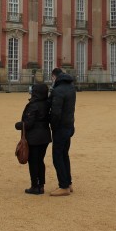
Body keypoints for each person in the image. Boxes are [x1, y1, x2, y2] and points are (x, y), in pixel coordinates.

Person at [14, 83, 51, 194]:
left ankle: (35, 186)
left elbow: (29, 123)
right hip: (45, 136)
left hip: (35, 137)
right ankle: (41, 185)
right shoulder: (46, 103)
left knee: (33, 162)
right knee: (40, 161)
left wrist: (18, 125)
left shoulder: (33, 105)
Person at [48, 67, 76, 196]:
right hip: (69, 125)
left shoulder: (58, 91)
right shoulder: (71, 88)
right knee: (65, 155)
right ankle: (68, 182)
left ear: (54, 77)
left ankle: (63, 186)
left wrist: (52, 125)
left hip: (60, 128)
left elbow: (56, 113)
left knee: (57, 156)